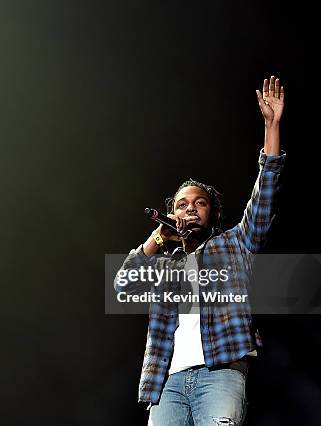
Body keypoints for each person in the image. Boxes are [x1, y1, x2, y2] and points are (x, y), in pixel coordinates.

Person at [114, 76, 286, 425]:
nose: (190, 208)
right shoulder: (164, 262)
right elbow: (122, 286)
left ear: (214, 213)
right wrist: (156, 239)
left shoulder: (234, 244)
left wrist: (271, 128)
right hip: (166, 383)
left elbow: (264, 198)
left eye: (200, 203)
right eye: (181, 204)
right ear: (172, 213)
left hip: (220, 372)